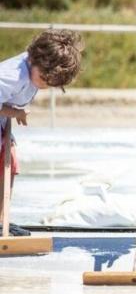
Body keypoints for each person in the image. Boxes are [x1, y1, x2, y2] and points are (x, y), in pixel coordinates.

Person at [0, 29, 83, 236]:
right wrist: (15, 112)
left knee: (9, 163)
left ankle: (3, 220)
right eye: (44, 79)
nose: (45, 85)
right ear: (35, 59)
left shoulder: (35, 70)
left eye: (51, 83)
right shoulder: (11, 76)